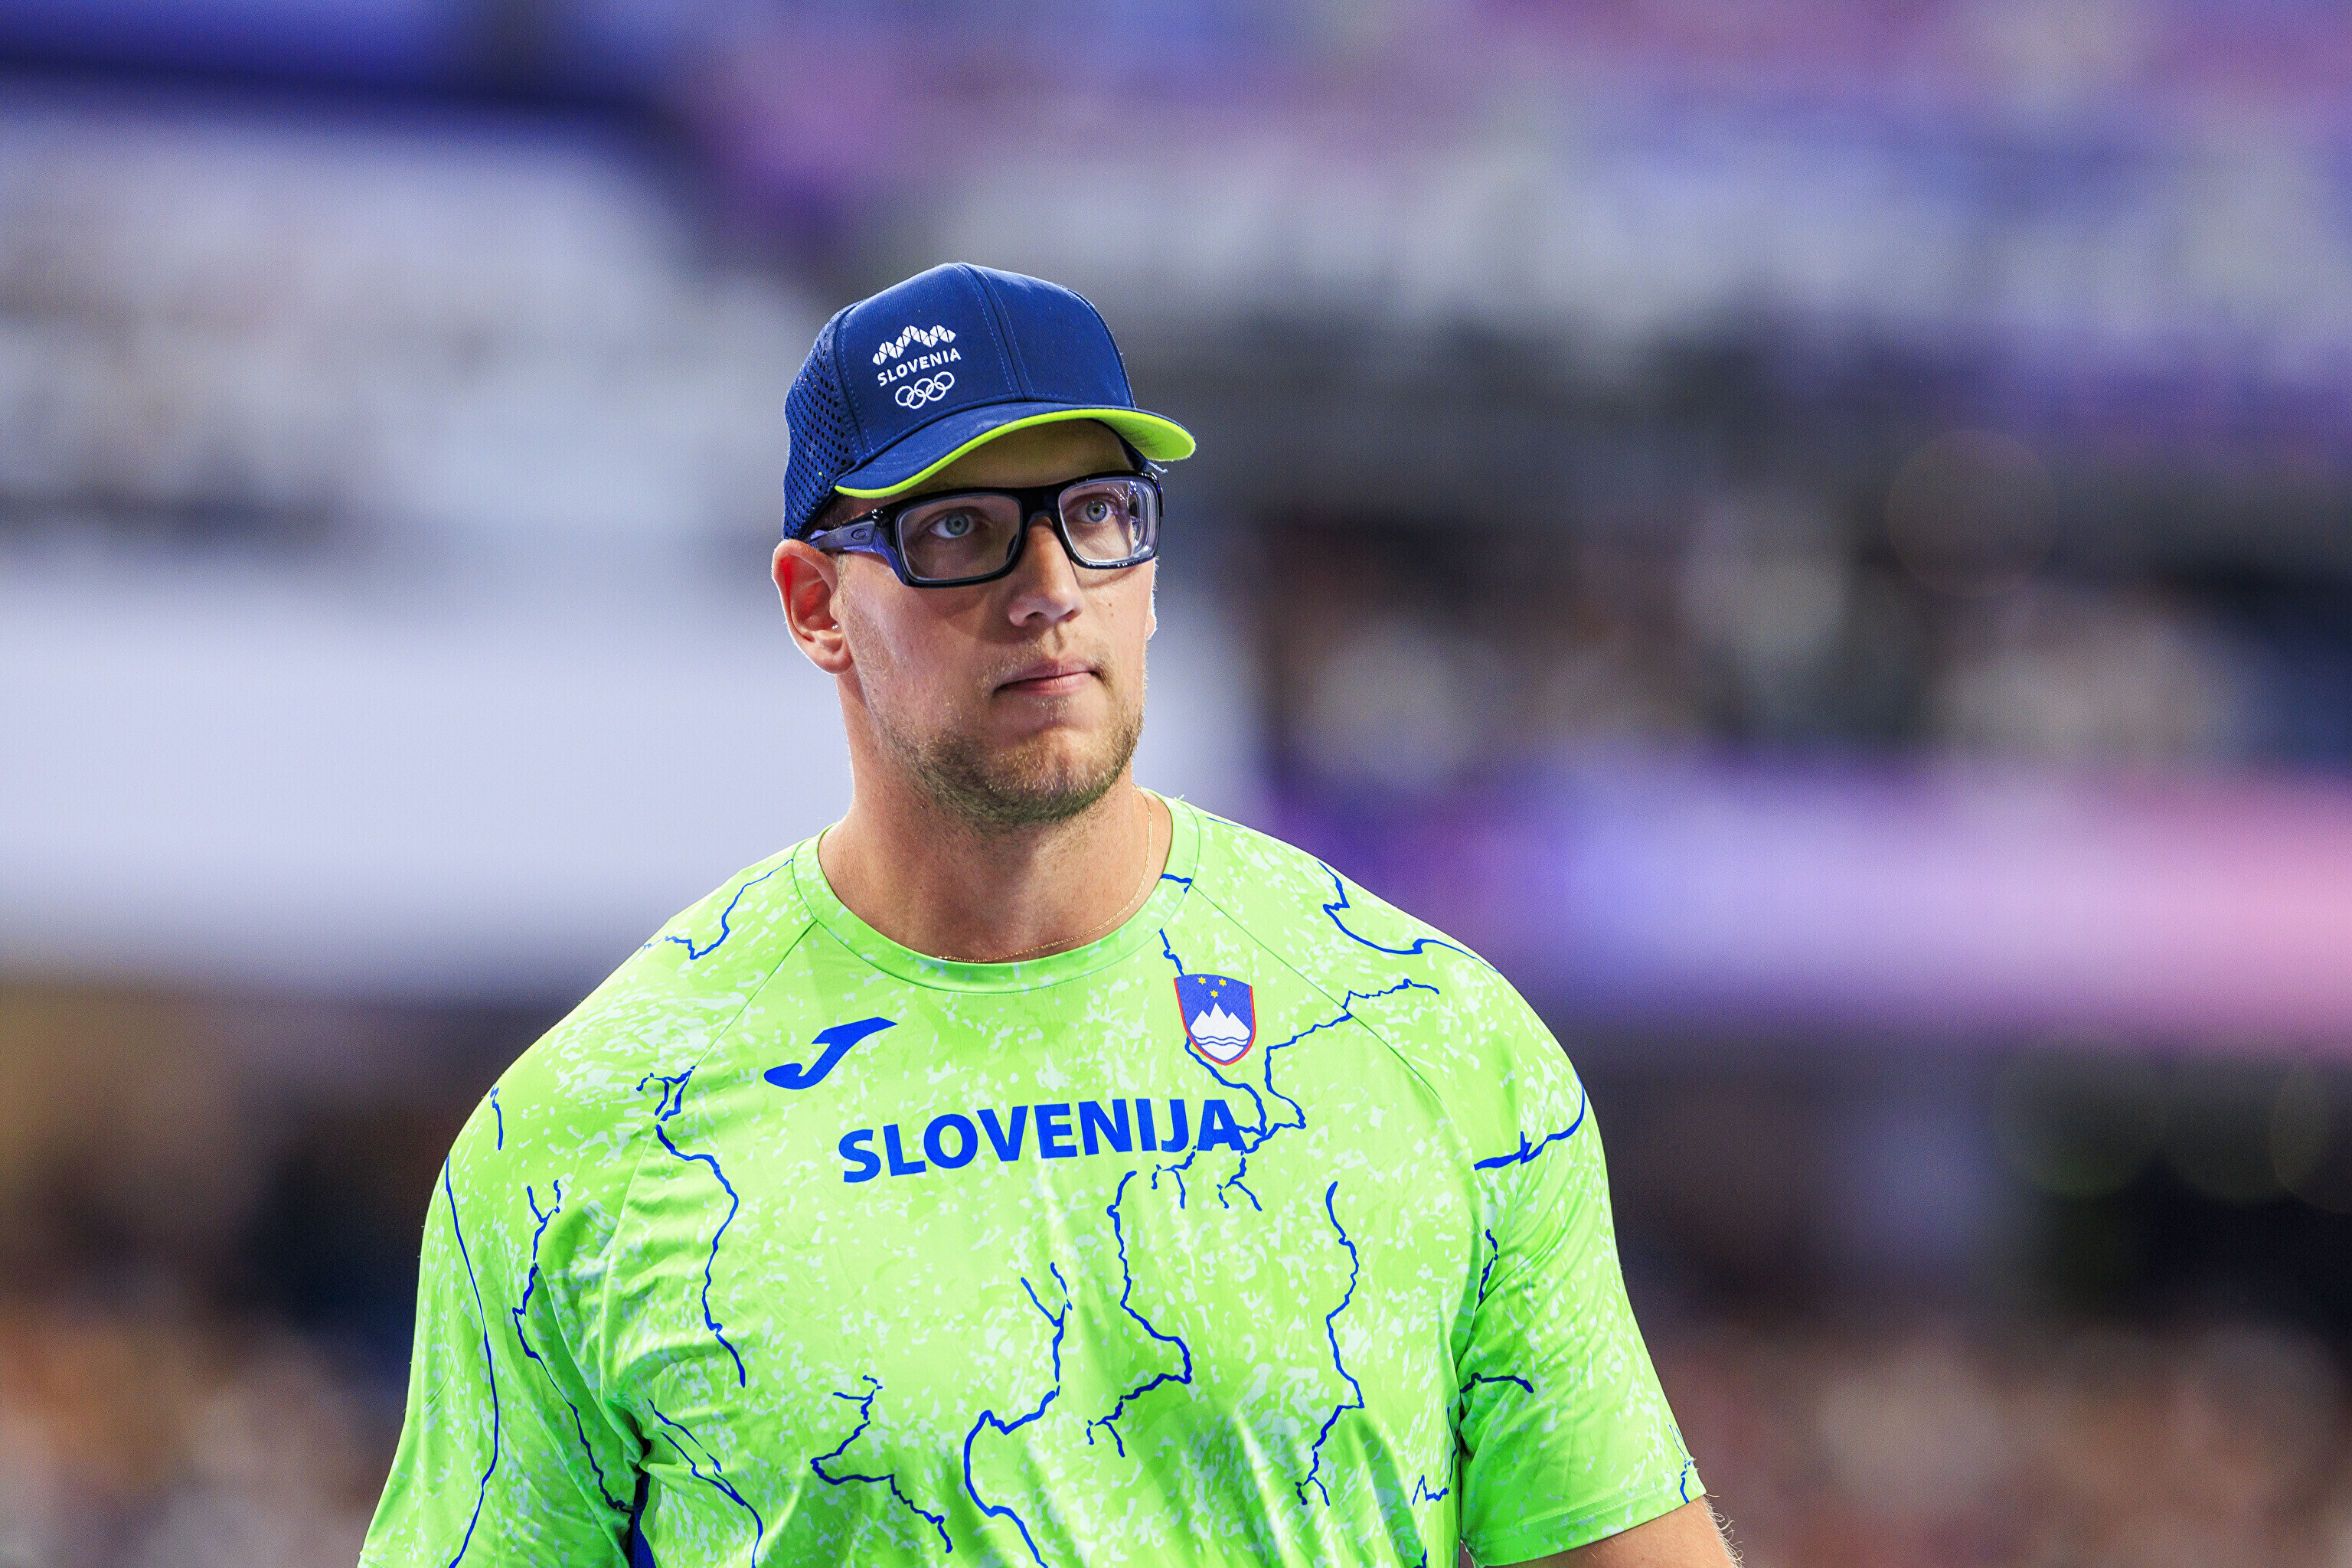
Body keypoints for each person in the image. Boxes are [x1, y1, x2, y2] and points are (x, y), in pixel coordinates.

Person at [361, 263, 1733, 1567]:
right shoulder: (585, 1137)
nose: (1052, 587)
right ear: (815, 605)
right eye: (958, 529)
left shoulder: (1435, 1038)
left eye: (1099, 513)